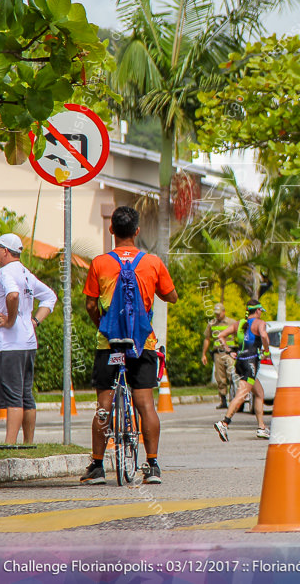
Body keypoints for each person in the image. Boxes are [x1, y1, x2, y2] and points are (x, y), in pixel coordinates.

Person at [82, 207, 177, 484]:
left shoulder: (99, 263)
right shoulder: (153, 262)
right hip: (142, 343)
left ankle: (98, 467)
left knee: (103, 404)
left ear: (111, 230)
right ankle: (153, 465)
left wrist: (101, 323)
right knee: (145, 403)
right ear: (137, 231)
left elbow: (90, 303)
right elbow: (171, 296)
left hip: (109, 344)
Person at [0, 233, 55, 445]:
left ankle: (10, 444)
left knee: (13, 397)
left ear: (5, 251)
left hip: (9, 345)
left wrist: (9, 321)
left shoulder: (5, 271)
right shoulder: (26, 273)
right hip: (27, 343)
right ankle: (28, 443)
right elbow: (50, 296)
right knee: (26, 395)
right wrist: (34, 321)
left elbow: (13, 295)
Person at [214, 301, 270, 441]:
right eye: (260, 311)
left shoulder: (239, 324)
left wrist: (228, 350)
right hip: (250, 363)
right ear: (256, 311)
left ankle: (261, 427)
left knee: (259, 393)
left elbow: (220, 335)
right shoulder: (260, 323)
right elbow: (263, 336)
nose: (261, 313)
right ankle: (224, 422)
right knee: (242, 393)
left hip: (240, 362)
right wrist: (266, 351)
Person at [202, 303, 239, 409]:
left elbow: (240, 335)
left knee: (232, 376)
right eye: (216, 314)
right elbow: (207, 339)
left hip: (229, 353)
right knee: (220, 378)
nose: (217, 316)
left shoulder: (231, 322)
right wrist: (203, 354)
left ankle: (234, 399)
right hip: (218, 354)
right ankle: (223, 401)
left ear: (224, 312)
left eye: (219, 314)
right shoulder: (212, 323)